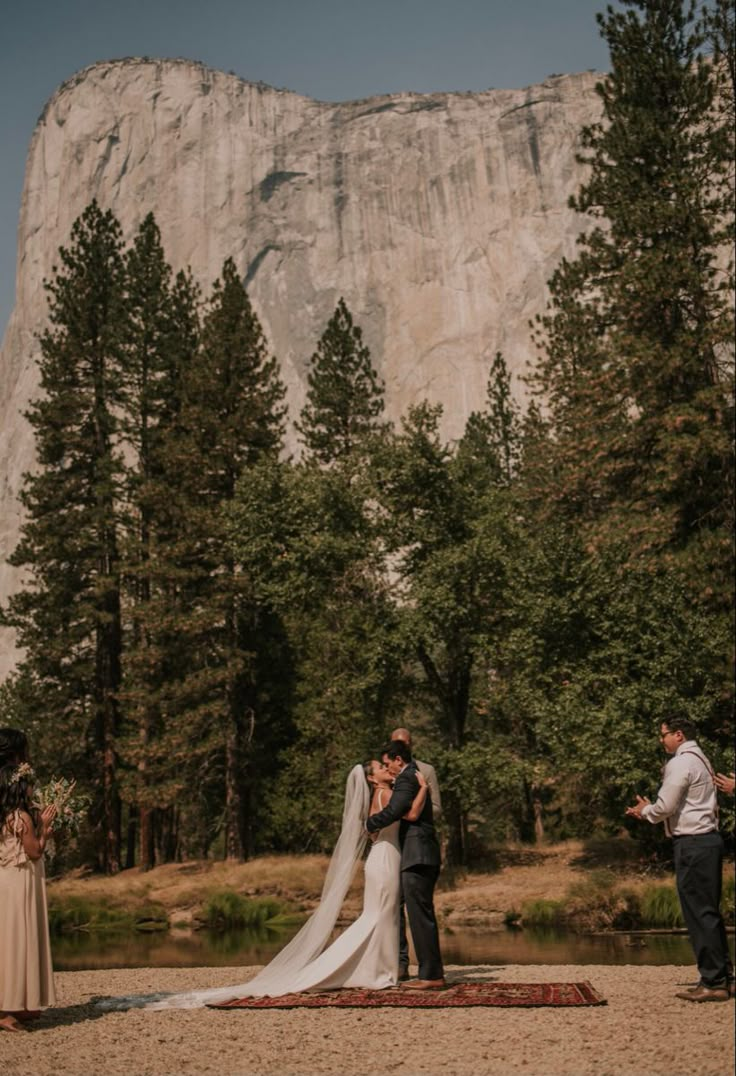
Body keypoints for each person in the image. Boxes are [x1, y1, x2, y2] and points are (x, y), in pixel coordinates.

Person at [100, 758, 428, 1010]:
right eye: (379, 767)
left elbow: (371, 830)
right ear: (371, 778)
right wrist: (424, 788)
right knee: (379, 916)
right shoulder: (385, 793)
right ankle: (373, 972)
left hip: (380, 856)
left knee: (379, 915)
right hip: (385, 859)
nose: (386, 768)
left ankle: (378, 971)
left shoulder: (375, 796)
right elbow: (410, 815)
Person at [625, 717, 732, 1002]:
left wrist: (646, 810)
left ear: (679, 734)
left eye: (664, 734)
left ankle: (713, 981)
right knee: (709, 911)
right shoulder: (701, 757)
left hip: (693, 843)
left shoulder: (681, 762)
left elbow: (665, 806)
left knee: (698, 912)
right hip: (707, 840)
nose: (662, 740)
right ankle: (724, 977)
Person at [366, 739, 445, 990]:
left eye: (388, 763)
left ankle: (431, 976)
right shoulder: (412, 777)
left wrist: (368, 824)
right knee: (420, 914)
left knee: (420, 916)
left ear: (398, 759)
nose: (388, 768)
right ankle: (430, 972)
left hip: (417, 854)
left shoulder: (406, 778)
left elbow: (398, 809)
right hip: (417, 853)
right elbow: (408, 813)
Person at [0, 728, 57, 1032]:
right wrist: (45, 827)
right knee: (15, 941)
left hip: (8, 880)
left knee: (10, 942)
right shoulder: (20, 817)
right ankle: (4, 1010)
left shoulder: (7, 813)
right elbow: (34, 851)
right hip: (18, 881)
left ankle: (16, 1002)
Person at [390, 726, 441, 979]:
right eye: (397, 743)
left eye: (405, 743)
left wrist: (409, 805)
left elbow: (436, 808)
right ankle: (400, 961)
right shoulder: (386, 769)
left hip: (415, 841)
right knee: (394, 903)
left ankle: (429, 970)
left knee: (419, 905)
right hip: (392, 844)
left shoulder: (425, 770)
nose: (402, 746)